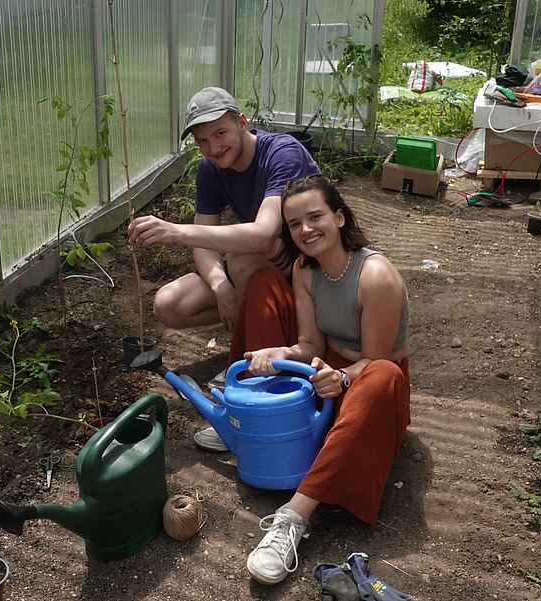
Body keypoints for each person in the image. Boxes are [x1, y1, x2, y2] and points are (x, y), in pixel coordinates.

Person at [234, 174, 411, 585]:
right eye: (295, 224)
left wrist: (342, 378)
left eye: (315, 217)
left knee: (382, 375)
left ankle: (293, 517)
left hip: (375, 385)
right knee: (263, 286)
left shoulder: (375, 276)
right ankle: (246, 416)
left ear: (340, 217)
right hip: (326, 367)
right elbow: (310, 343)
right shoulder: (304, 269)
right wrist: (280, 354)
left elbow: (376, 360)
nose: (306, 230)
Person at [127, 87, 319, 451]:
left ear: (242, 123)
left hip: (309, 269)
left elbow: (264, 234)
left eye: (220, 134)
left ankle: (251, 378)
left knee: (244, 256)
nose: (214, 148)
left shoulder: (282, 153)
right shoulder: (211, 169)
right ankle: (254, 334)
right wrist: (221, 287)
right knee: (170, 303)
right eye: (203, 141)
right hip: (260, 271)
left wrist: (176, 231)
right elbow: (205, 245)